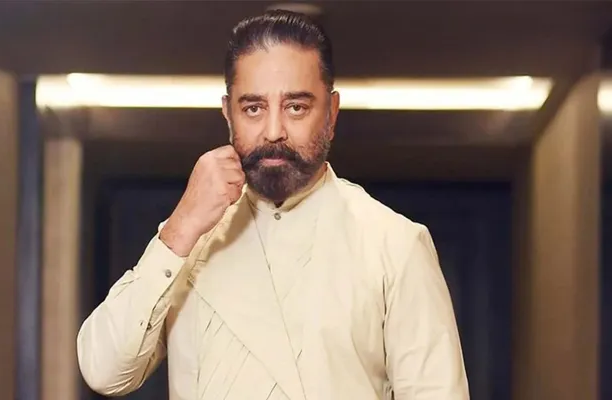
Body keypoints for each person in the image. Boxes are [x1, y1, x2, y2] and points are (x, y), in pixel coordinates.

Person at [77, 9, 469, 400]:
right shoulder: (189, 237)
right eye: (254, 108)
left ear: (331, 113)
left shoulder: (394, 243)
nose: (274, 131)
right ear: (228, 114)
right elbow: (104, 371)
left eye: (296, 107)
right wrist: (181, 226)